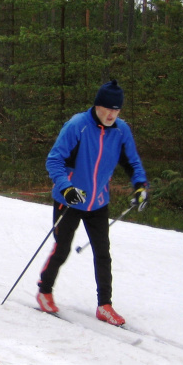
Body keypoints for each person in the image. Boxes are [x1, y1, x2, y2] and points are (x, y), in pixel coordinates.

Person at [35, 79, 149, 327]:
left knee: (102, 252)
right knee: (62, 247)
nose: (111, 114)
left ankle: (104, 305)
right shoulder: (77, 126)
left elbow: (132, 161)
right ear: (97, 105)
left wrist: (140, 185)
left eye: (116, 110)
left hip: (97, 201)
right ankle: (44, 290)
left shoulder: (121, 130)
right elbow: (54, 160)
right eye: (107, 108)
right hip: (70, 199)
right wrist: (66, 188)